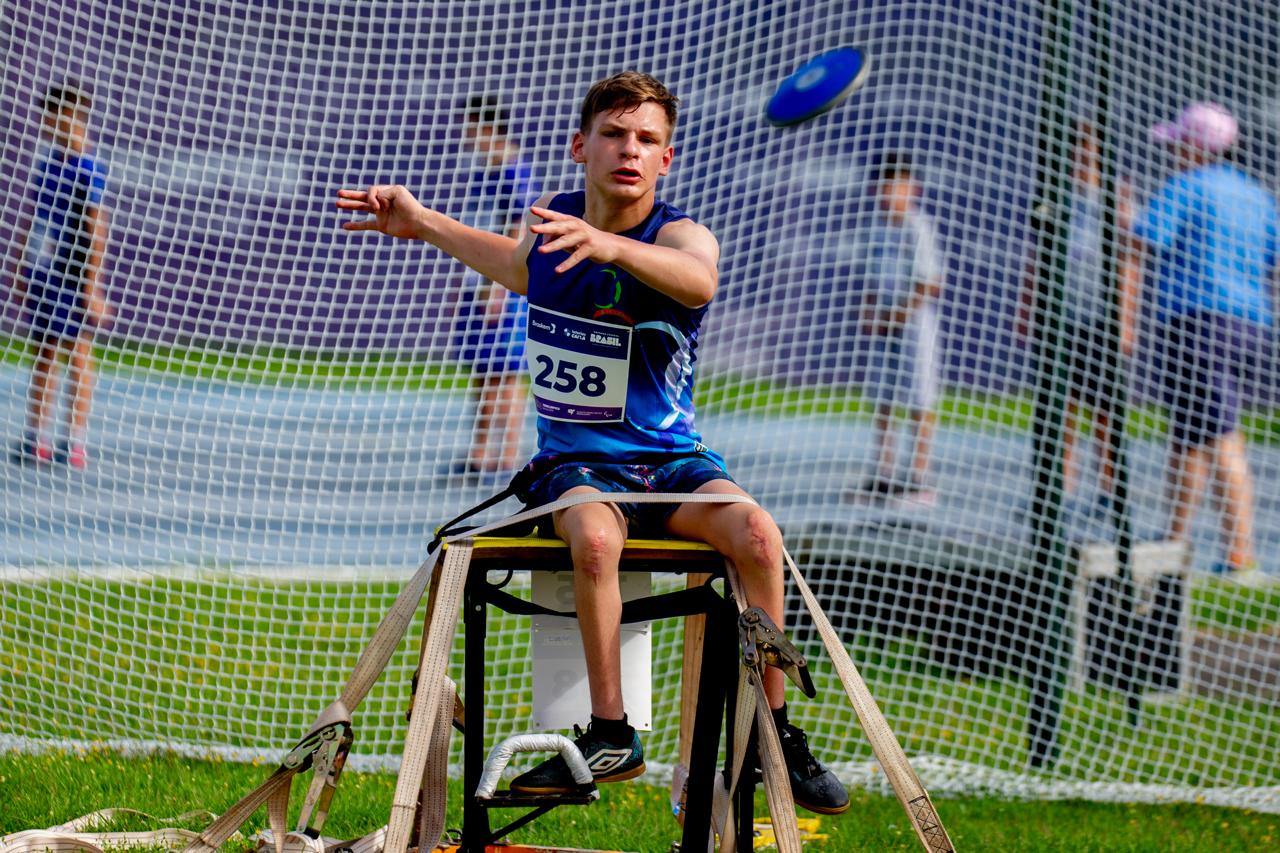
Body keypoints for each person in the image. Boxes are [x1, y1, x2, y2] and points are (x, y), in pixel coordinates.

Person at [338, 70, 850, 814]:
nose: (630, 150)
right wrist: (422, 222)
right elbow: (516, 266)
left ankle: (770, 734)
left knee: (759, 535)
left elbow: (697, 282)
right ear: (582, 144)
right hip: (579, 468)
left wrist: (610, 246)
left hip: (672, 466)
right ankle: (611, 732)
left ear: (666, 159)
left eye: (647, 140)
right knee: (595, 538)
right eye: (614, 134)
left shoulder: (679, 235)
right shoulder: (550, 229)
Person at [1133, 102, 1277, 585]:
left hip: (1198, 324)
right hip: (1249, 323)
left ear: (1195, 145)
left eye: (1178, 141)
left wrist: (1122, 214)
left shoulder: (1186, 187)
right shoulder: (1256, 195)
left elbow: (1144, 238)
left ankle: (1241, 556)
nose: (1171, 149)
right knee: (1190, 433)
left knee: (1219, 436)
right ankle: (1174, 539)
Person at [1018, 119, 1141, 516]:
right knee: (1062, 406)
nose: (1082, 160)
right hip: (1063, 318)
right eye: (1077, 152)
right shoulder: (1057, 197)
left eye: (1090, 152)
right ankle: (1060, 492)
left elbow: (1130, 262)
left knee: (1104, 410)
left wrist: (1125, 319)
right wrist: (1028, 305)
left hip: (1101, 319)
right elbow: (1039, 255)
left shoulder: (1118, 200)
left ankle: (1109, 491)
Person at [9, 83, 111, 470]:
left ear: (71, 118)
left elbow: (96, 227)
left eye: (51, 117)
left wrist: (91, 285)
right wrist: (21, 264)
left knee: (78, 352)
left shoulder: (88, 168)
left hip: (71, 273)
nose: (45, 125)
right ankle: (36, 437)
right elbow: (34, 217)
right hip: (44, 271)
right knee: (44, 352)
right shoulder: (48, 163)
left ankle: (75, 440)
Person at [851, 153, 944, 504]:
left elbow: (931, 283)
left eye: (899, 185)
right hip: (884, 322)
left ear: (913, 189)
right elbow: (870, 278)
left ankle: (919, 475)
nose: (892, 193)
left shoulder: (918, 227)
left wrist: (898, 315)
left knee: (920, 396)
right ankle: (884, 472)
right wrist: (870, 310)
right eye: (886, 185)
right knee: (883, 396)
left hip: (915, 325)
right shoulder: (874, 227)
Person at [453, 95, 539, 476]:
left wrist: (498, 287)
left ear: (488, 128)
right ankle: (481, 451)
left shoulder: (511, 170)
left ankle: (506, 455)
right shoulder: (483, 171)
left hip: (499, 285)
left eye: (471, 128)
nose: (466, 137)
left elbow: (517, 226)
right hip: (480, 281)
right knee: (483, 369)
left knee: (505, 371)